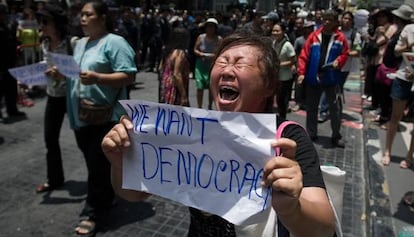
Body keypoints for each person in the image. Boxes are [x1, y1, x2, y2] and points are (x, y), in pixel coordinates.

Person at [101, 32, 335, 237]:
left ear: (269, 86)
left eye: (239, 64)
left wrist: (292, 209)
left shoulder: (287, 139)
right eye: (221, 61)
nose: (226, 70)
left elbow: (324, 229)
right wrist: (121, 163)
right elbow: (134, 195)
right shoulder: (192, 129)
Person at [66, 1, 137, 236]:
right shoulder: (80, 43)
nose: (82, 19)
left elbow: (128, 75)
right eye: (81, 15)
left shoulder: (114, 42)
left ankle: (94, 212)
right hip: (83, 114)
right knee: (94, 162)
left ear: (103, 17)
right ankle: (107, 196)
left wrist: (98, 77)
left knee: (97, 165)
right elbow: (76, 73)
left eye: (88, 15)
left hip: (106, 117)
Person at [297, 9, 349, 148]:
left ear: (334, 22)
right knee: (312, 108)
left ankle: (336, 135)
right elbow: (304, 56)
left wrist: (339, 61)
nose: (326, 22)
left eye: (330, 19)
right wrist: (301, 73)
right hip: (314, 77)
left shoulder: (340, 38)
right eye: (325, 19)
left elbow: (345, 54)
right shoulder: (314, 36)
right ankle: (311, 133)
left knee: (335, 109)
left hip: (331, 78)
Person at [34, 3, 71, 193]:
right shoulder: (45, 44)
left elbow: (80, 70)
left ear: (56, 23)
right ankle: (55, 179)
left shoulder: (72, 43)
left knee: (85, 142)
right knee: (50, 138)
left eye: (45, 22)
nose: (41, 26)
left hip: (72, 97)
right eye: (40, 22)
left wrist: (62, 73)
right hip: (53, 96)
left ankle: (103, 184)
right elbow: (46, 66)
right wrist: (33, 78)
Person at [381, 9, 414, 167]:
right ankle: (387, 151)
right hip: (404, 77)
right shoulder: (409, 29)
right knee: (395, 117)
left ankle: (409, 156)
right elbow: (396, 51)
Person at [0, 4, 26, 122]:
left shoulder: (7, 26)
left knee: (11, 88)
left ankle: (12, 109)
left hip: (10, 61)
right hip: (1, 63)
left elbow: (12, 40)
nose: (5, 16)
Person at [158, 16, 190, 106]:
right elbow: (177, 74)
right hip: (175, 88)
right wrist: (184, 95)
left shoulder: (168, 51)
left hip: (166, 86)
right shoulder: (180, 53)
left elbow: (160, 68)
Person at [193, 17, 222, 109]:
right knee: (200, 86)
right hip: (201, 64)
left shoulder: (219, 39)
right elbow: (195, 49)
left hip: (212, 65)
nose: (210, 29)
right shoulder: (201, 37)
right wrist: (201, 54)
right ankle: (199, 106)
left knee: (211, 87)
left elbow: (221, 51)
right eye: (208, 27)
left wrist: (214, 55)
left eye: (212, 27)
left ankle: (209, 106)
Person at [271, 22, 296, 119]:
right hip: (276, 76)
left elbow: (293, 60)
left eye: (277, 31)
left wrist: (280, 64)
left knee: (282, 100)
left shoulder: (287, 45)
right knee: (277, 99)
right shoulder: (274, 43)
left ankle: (283, 119)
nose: (275, 33)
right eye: (273, 30)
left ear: (283, 32)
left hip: (285, 77)